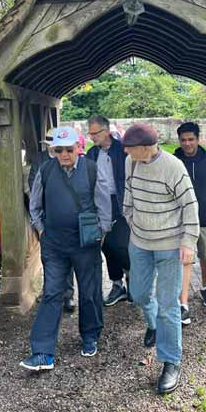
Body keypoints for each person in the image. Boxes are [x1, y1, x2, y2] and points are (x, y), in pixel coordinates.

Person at [20, 127, 111, 371]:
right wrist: (41, 230)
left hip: (86, 243)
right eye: (58, 150)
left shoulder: (91, 169)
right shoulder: (46, 170)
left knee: (89, 291)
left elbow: (104, 205)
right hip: (55, 244)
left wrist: (101, 233)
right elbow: (35, 204)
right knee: (52, 293)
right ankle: (42, 352)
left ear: (78, 148)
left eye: (69, 149)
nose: (64, 155)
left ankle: (90, 335)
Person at [123, 123, 199, 395]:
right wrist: (130, 217)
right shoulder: (131, 162)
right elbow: (129, 192)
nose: (126, 152)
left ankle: (171, 362)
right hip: (140, 243)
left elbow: (190, 204)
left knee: (168, 306)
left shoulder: (173, 167)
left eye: (130, 148)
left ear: (146, 147)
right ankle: (154, 325)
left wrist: (188, 241)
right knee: (139, 294)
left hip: (169, 246)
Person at [174, 122, 206, 323]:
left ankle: (205, 287)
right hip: (180, 221)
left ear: (198, 139)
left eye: (191, 139)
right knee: (182, 259)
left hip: (205, 218)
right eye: (183, 140)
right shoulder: (174, 161)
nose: (187, 144)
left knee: (205, 255)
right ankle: (182, 300)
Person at [28, 127, 76, 313]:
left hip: (65, 217)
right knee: (49, 259)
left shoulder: (68, 159)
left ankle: (68, 295)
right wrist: (39, 225)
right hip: (46, 217)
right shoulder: (39, 160)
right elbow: (33, 185)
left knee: (68, 258)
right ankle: (52, 294)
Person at [87, 115, 130, 306]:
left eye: (95, 133)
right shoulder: (91, 154)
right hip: (99, 203)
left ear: (106, 131)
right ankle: (117, 284)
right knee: (106, 245)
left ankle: (131, 277)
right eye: (90, 134)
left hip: (120, 202)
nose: (92, 137)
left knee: (121, 244)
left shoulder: (123, 150)